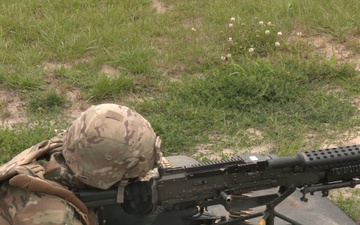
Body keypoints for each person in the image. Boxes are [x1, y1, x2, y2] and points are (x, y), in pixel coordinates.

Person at [0, 103, 163, 225]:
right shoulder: (57, 217)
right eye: (133, 176)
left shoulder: (65, 151)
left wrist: (134, 203)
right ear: (102, 178)